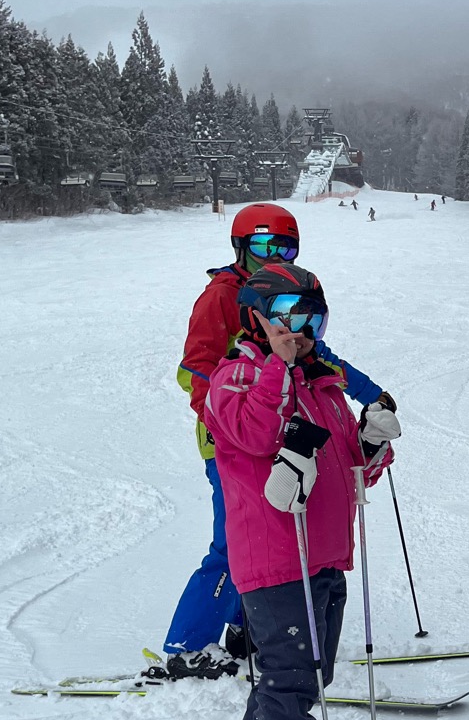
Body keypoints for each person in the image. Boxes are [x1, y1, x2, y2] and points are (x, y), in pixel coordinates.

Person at [200, 266, 399, 720]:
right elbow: (257, 435)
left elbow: (350, 471)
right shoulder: (236, 377)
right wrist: (278, 368)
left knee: (299, 681)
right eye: (289, 315)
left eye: (313, 318)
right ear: (255, 317)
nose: (302, 330)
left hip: (324, 556)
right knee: (290, 683)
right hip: (277, 559)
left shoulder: (321, 384)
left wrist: (370, 444)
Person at [149, 203, 390, 680]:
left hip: (282, 430)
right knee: (236, 541)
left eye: (286, 247)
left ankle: (252, 632)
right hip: (235, 436)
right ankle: (187, 647)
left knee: (276, 538)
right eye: (263, 245)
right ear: (241, 247)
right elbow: (195, 368)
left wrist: (370, 393)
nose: (274, 254)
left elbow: (319, 356)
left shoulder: (285, 292)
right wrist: (223, 423)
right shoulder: (225, 296)